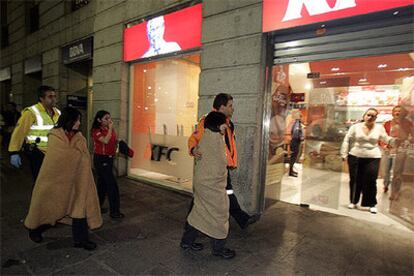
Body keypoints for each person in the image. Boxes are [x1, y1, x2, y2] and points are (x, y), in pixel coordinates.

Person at [24, 107, 102, 251]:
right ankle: (35, 230)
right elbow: (59, 158)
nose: (79, 123)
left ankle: (81, 240)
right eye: (77, 120)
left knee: (80, 209)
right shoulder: (55, 136)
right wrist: (77, 156)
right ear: (68, 120)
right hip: (54, 183)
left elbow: (84, 158)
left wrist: (79, 158)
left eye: (79, 120)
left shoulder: (80, 137)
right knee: (50, 208)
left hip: (78, 181)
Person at [188, 93, 257, 229]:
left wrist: (230, 161)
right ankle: (241, 219)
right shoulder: (207, 121)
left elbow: (228, 144)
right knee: (206, 197)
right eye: (230, 106)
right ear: (221, 107)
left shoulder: (228, 123)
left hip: (222, 166)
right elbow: (194, 138)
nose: (233, 109)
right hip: (211, 168)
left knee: (218, 194)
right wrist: (193, 149)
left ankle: (190, 230)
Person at [181, 111, 235, 259]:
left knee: (199, 212)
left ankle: (186, 242)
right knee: (219, 215)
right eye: (224, 123)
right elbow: (218, 167)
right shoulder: (216, 140)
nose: (227, 125)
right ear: (219, 125)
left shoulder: (209, 137)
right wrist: (221, 182)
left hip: (202, 184)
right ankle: (218, 249)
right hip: (211, 186)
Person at [341, 108, 393, 214]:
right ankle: (353, 201)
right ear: (364, 116)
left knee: (371, 180)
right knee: (355, 180)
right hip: (355, 155)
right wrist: (344, 153)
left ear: (376, 118)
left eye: (373, 116)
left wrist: (395, 141)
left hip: (373, 156)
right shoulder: (355, 127)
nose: (370, 117)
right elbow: (347, 140)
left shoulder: (379, 128)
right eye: (368, 115)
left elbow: (386, 139)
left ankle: (371, 204)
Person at [8, 86, 60, 182]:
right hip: (38, 153)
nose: (54, 99)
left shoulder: (58, 113)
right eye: (50, 97)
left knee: (52, 182)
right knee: (40, 182)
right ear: (41, 98)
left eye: (55, 96)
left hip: (54, 152)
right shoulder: (31, 112)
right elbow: (19, 132)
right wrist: (14, 152)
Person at [91, 110, 124, 219]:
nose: (109, 121)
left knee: (102, 185)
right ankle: (114, 212)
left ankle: (96, 208)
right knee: (112, 186)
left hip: (109, 159)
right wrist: (110, 129)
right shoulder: (96, 130)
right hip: (101, 160)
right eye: (106, 118)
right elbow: (105, 140)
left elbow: (112, 140)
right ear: (99, 120)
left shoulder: (108, 129)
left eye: (109, 118)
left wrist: (120, 143)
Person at [381, 106, 402, 193]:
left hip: (400, 151)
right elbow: (381, 136)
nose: (397, 113)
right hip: (388, 150)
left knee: (397, 171)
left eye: (399, 111)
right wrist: (384, 146)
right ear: (393, 113)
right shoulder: (387, 124)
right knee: (386, 169)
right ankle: (386, 185)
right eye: (396, 111)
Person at [288, 111, 304, 177]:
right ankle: (290, 172)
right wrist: (301, 138)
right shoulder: (297, 124)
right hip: (295, 142)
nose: (302, 118)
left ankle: (291, 170)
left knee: (293, 157)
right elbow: (295, 134)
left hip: (295, 141)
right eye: (301, 116)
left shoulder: (297, 123)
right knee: (293, 157)